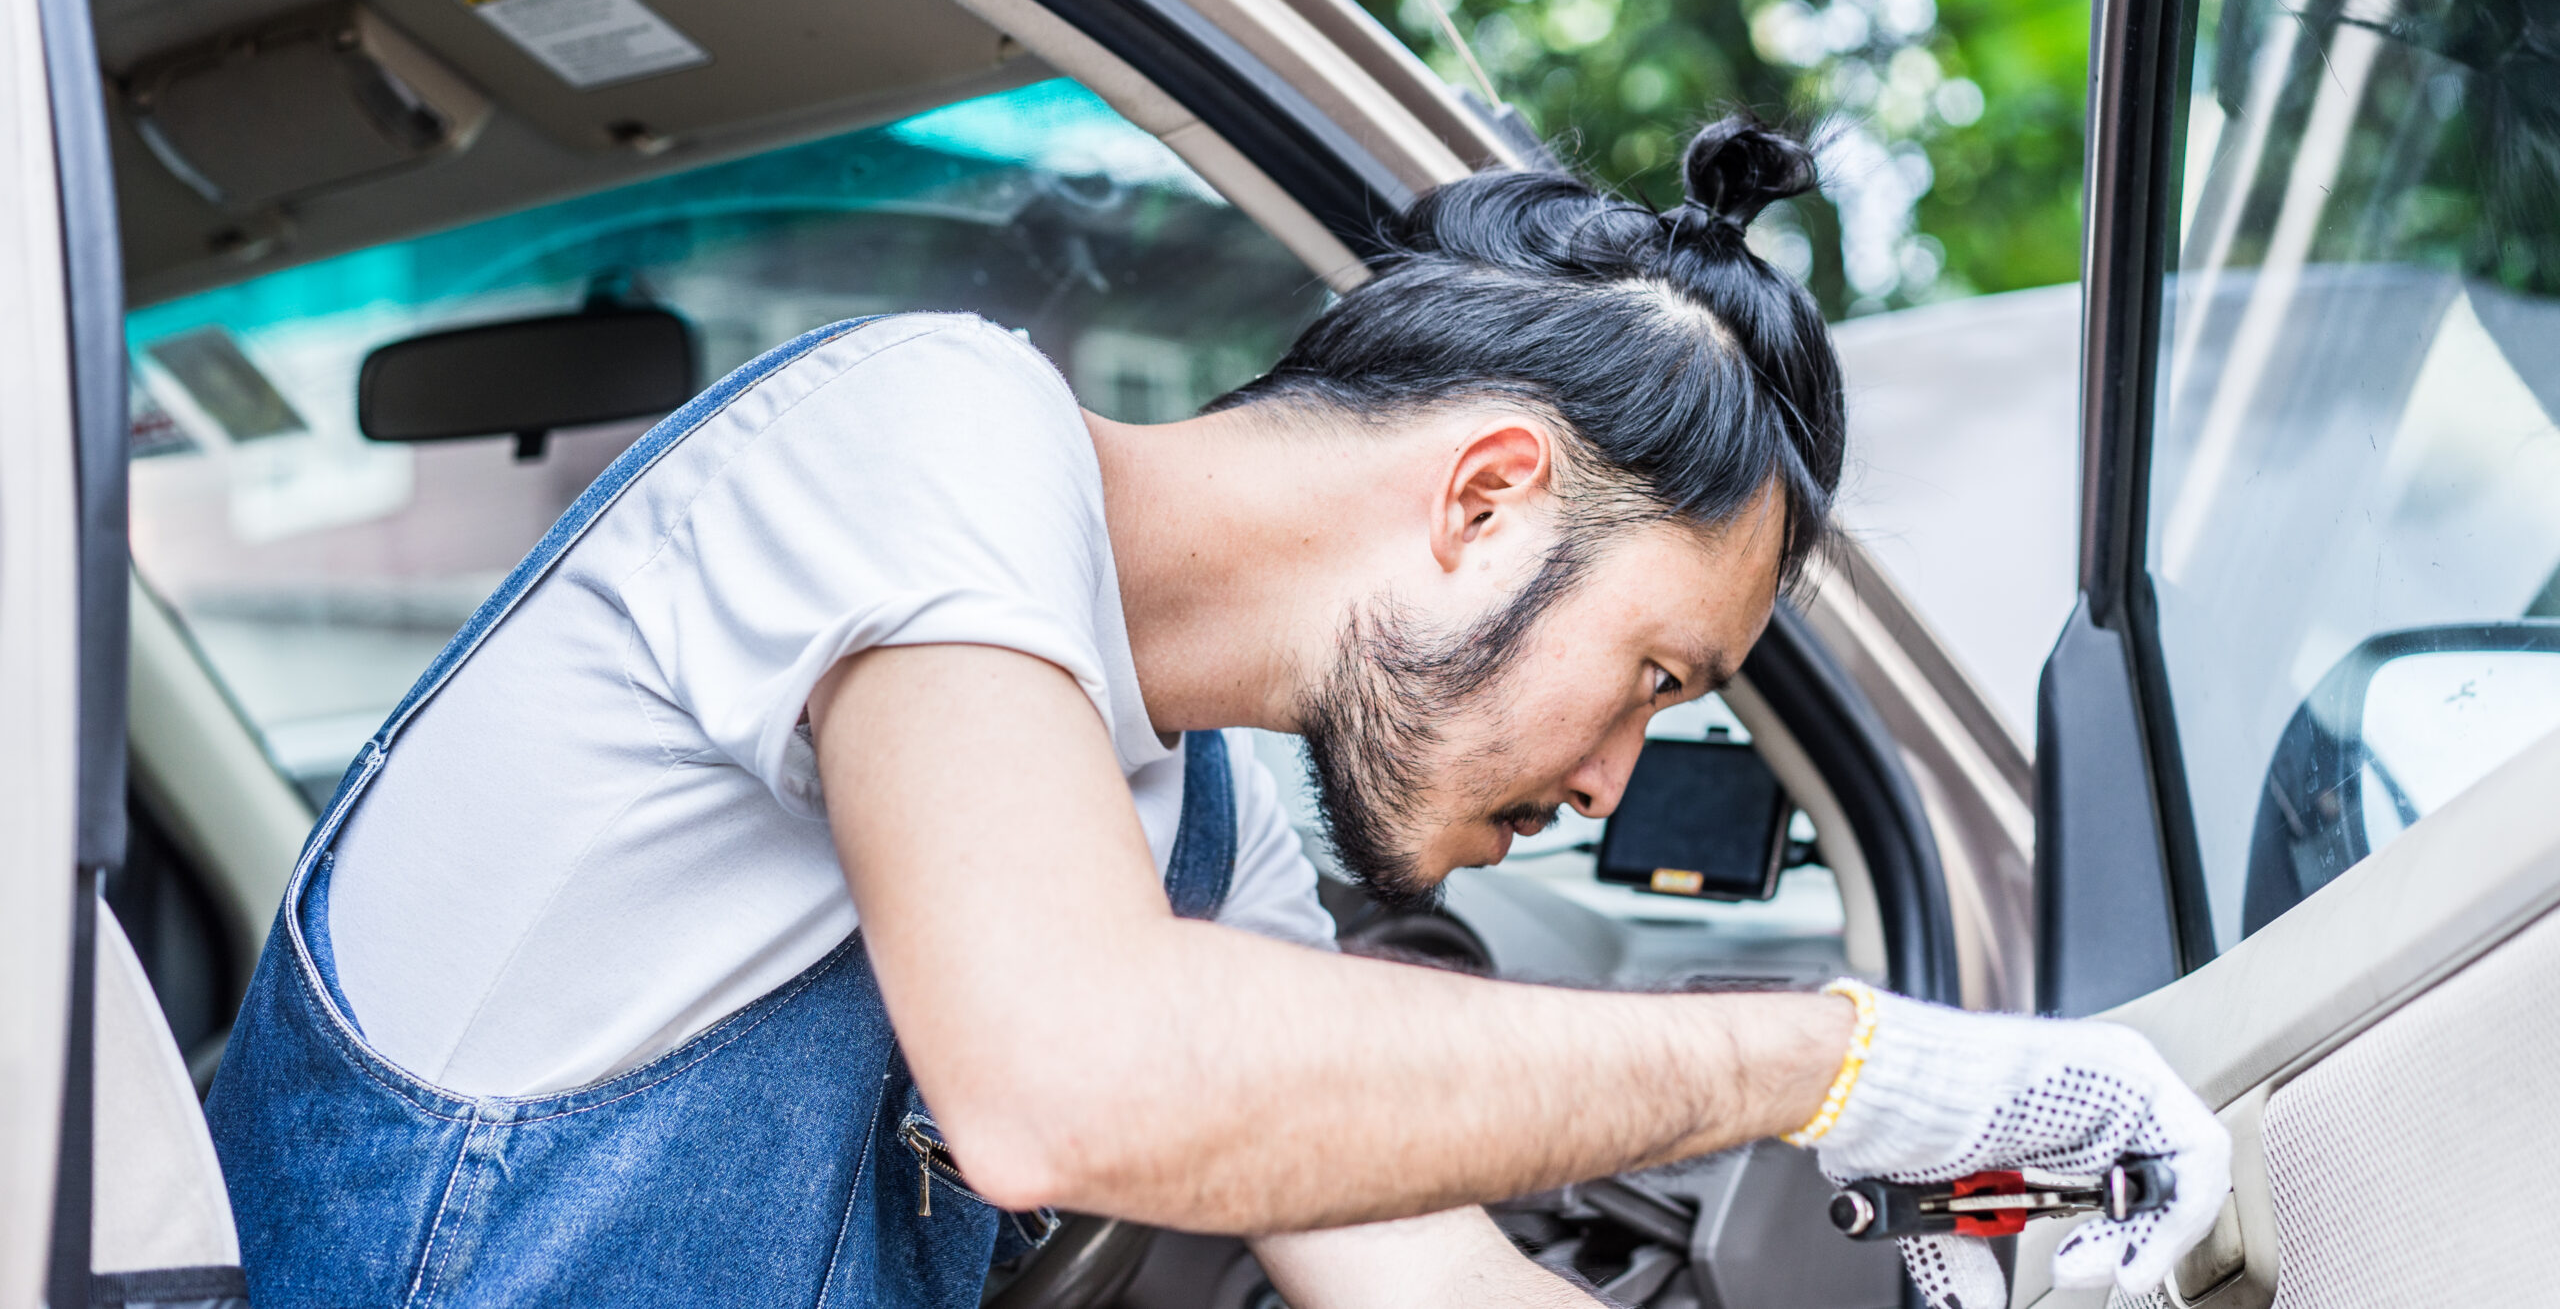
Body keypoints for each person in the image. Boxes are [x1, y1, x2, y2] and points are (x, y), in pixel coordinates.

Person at [206, 117, 2227, 1309]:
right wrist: (1837, 1061)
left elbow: (1423, 1276)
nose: (1617, 776)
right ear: (1487, 494)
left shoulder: (1201, 823)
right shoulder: (912, 431)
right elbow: (1070, 1076)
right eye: (1650, 677)